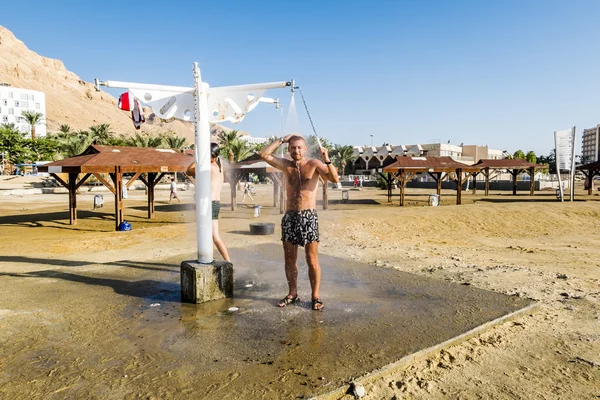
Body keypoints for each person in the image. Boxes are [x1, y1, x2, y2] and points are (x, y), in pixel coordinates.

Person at [258, 134, 339, 311]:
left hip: (308, 216)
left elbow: (335, 179)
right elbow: (263, 154)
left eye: (299, 147)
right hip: (290, 216)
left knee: (311, 259)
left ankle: (315, 296)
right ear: (289, 149)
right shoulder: (285, 165)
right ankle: (292, 293)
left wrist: (327, 160)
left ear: (305, 149)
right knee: (289, 259)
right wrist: (281, 139)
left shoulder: (314, 164)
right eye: (293, 147)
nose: (296, 150)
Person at [210, 143, 230, 262]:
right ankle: (211, 259)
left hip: (210, 204)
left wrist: (199, 156)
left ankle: (228, 262)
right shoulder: (220, 165)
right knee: (212, 236)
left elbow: (189, 170)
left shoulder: (210, 167)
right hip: (216, 203)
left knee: (214, 237)